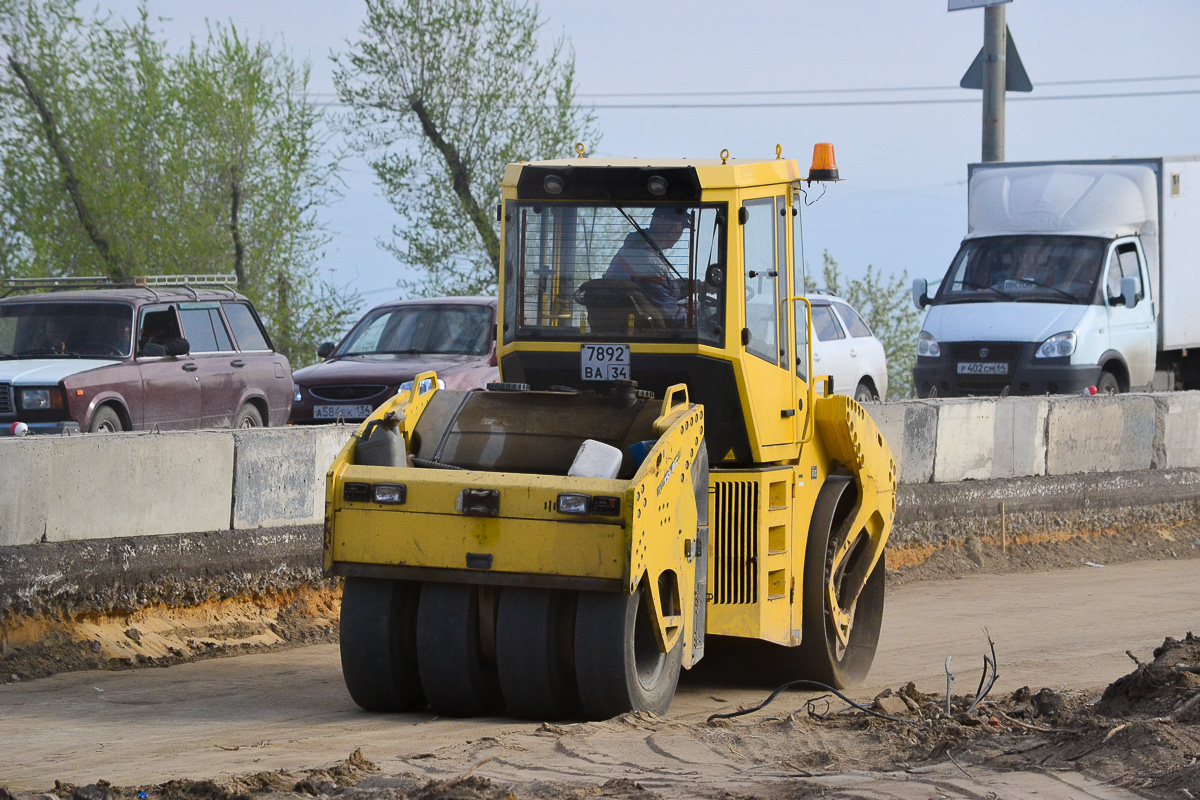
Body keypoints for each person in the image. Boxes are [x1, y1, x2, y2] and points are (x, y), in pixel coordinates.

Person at [603, 206, 692, 325]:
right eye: (682, 228)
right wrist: (702, 324)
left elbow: (661, 288)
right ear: (674, 229)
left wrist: (693, 286)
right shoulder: (646, 261)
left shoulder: (633, 251)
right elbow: (671, 315)